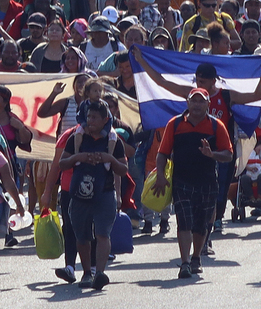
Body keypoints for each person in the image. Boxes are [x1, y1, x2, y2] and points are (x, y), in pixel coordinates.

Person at [147, 89, 234, 280]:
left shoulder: (216, 126)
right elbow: (162, 153)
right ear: (187, 103)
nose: (196, 105)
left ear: (208, 104)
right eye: (193, 101)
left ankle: (196, 257)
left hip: (208, 182)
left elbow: (228, 154)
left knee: (201, 224)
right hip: (181, 181)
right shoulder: (175, 124)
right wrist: (160, 175)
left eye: (200, 102)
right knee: (183, 222)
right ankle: (185, 262)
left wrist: (212, 155)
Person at [55, 98, 127, 290]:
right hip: (79, 194)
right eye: (88, 116)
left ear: (105, 120)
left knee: (103, 234)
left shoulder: (113, 141)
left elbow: (123, 169)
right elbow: (62, 164)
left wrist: (109, 159)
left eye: (95, 117)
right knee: (82, 236)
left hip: (104, 193)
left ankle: (100, 273)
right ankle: (87, 273)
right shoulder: (76, 138)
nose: (90, 120)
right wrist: (79, 157)